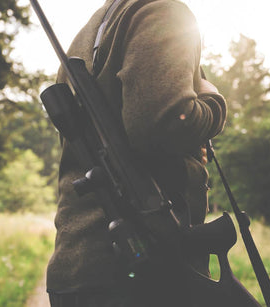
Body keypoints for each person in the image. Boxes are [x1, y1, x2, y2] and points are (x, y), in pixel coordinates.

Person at [46, 0, 227, 306]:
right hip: (147, 273)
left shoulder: (84, 35)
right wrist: (214, 104)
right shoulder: (164, 11)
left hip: (76, 270)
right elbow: (162, 124)